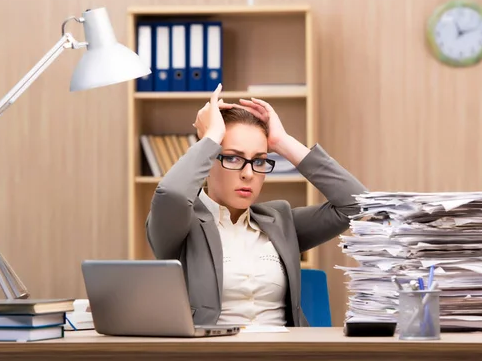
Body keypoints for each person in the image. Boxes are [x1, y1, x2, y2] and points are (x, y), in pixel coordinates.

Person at [145, 85, 366, 327]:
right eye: (232, 158)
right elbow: (172, 195)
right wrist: (210, 137)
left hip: (284, 353)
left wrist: (282, 142)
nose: (248, 173)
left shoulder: (281, 222)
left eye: (259, 161)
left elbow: (356, 203)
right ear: (207, 162)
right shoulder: (180, 226)